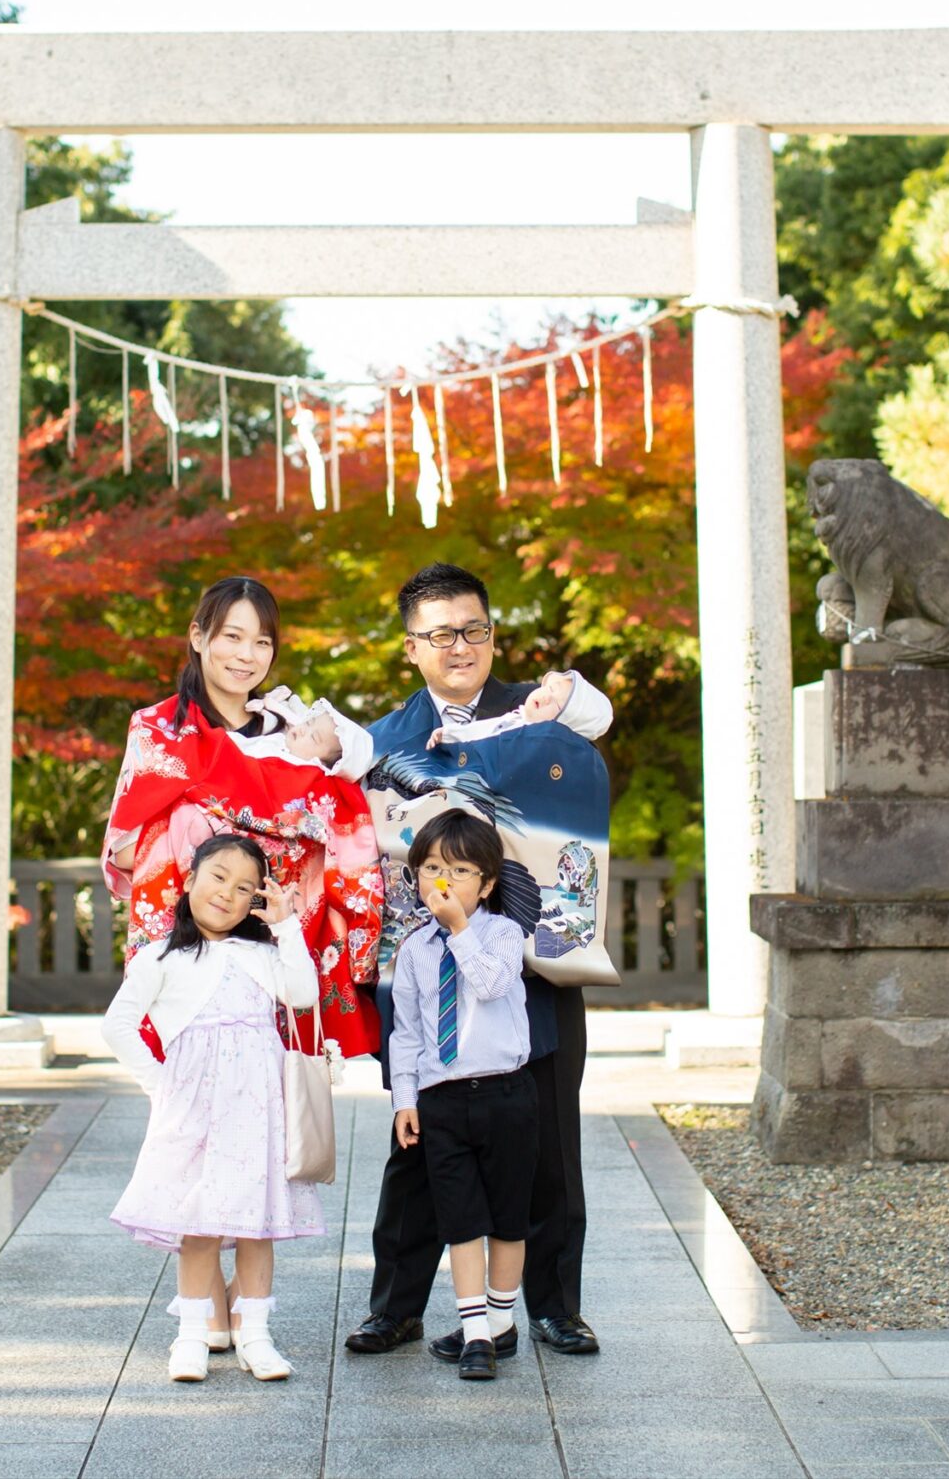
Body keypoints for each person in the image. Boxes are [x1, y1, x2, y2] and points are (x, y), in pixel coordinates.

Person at [101, 575, 384, 1351]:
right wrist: (261, 820)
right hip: (191, 945)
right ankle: (205, 1295)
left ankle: (232, 1297)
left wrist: (311, 763)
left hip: (271, 942)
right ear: (197, 636)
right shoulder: (159, 728)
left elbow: (347, 782)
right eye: (230, 634)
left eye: (261, 640)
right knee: (194, 1132)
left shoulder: (292, 721)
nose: (246, 653)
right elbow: (135, 841)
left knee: (261, 1130)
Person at [339, 562, 609, 1360]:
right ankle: (396, 1304)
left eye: (474, 629)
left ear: (492, 633)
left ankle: (557, 1305)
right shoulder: (383, 741)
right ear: (411, 646)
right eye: (440, 633)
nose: (460, 645)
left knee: (551, 1141)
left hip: (534, 971)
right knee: (420, 1144)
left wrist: (568, 687)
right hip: (431, 987)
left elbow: (596, 712)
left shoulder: (540, 711)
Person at [102, 834, 324, 1383]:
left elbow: (302, 993)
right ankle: (192, 1335)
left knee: (257, 1226)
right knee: (196, 1225)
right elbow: (118, 1025)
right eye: (218, 877)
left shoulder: (261, 953)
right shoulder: (161, 956)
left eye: (244, 887)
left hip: (257, 1110)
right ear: (189, 880)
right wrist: (161, 1087)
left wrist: (286, 924)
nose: (227, 893)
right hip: (195, 1111)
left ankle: (256, 1333)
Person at [387, 808, 533, 1382]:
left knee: (507, 1219)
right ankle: (476, 1333)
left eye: (460, 869)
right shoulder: (416, 949)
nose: (441, 881)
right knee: (460, 1218)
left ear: (488, 883)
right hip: (442, 1098)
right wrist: (405, 1099)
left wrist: (461, 931)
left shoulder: (502, 933)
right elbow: (408, 1032)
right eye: (429, 868)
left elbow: (492, 983)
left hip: (507, 1094)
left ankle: (500, 1322)